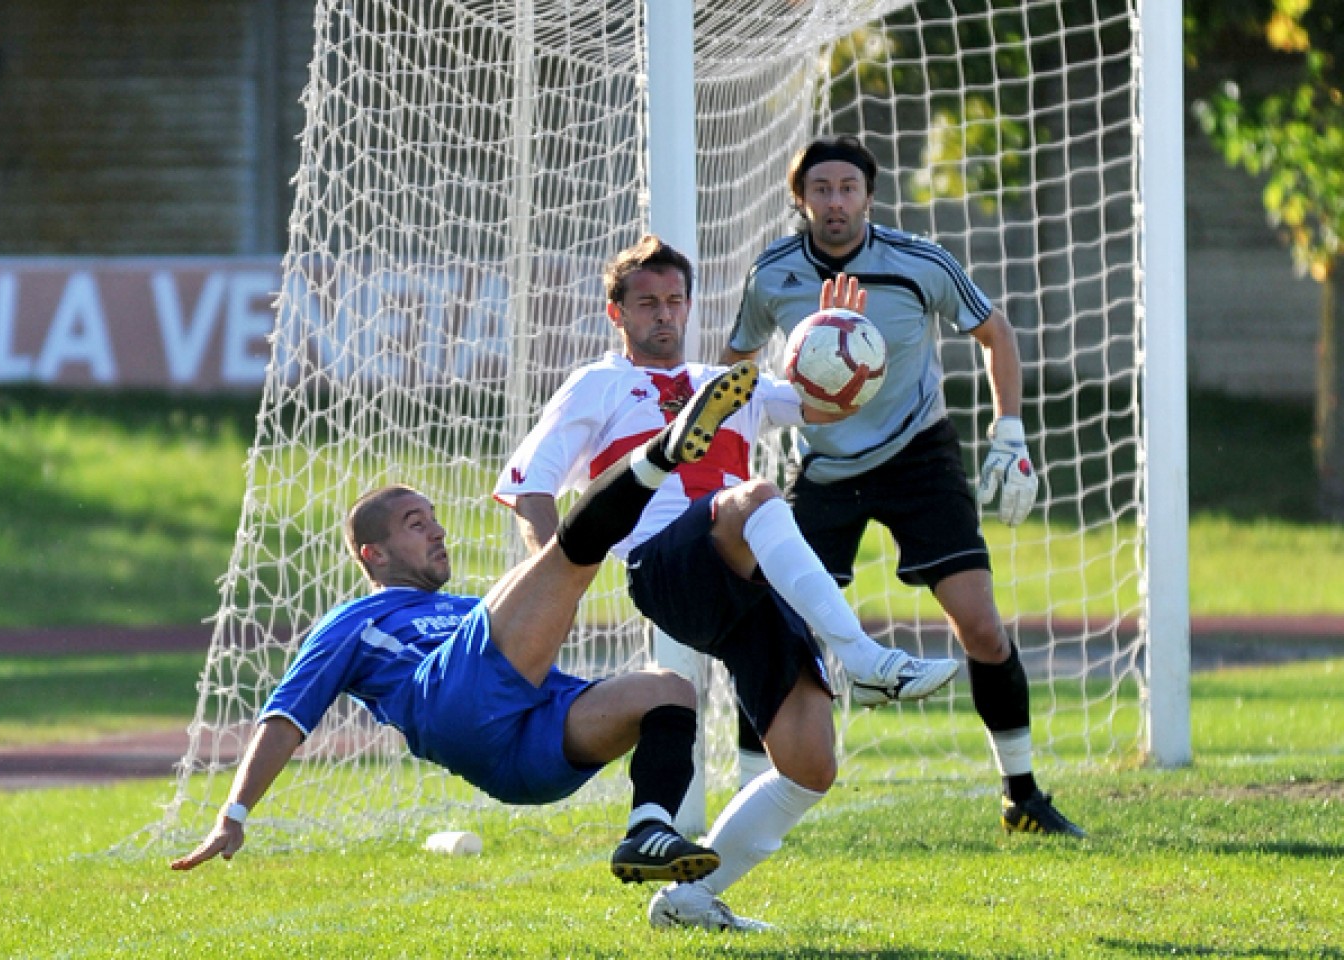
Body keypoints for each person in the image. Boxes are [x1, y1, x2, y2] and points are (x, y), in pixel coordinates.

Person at [493, 234, 958, 931]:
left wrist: (841, 338)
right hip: (664, 564)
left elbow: (828, 404)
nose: (665, 316)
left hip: (744, 578)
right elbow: (531, 486)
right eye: (647, 303)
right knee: (757, 498)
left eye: (675, 301)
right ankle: (862, 659)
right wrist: (556, 574)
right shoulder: (597, 384)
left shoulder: (728, 383)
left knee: (810, 764)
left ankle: (686, 903)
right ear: (615, 312)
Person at [169, 360, 763, 890]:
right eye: (413, 523)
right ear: (373, 554)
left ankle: (647, 830)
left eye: (433, 518)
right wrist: (234, 814)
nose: (437, 531)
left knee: (669, 691)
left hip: (526, 757)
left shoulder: (465, 607)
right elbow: (287, 714)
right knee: (567, 555)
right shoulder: (354, 619)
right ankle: (666, 449)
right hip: (452, 705)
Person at [721, 133, 1085, 838]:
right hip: (821, 469)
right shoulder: (772, 275)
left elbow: (996, 333)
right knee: (773, 630)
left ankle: (1021, 795)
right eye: (821, 189)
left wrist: (1009, 431)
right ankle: (742, 804)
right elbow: (733, 367)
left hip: (920, 457)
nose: (835, 202)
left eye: (847, 188)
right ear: (801, 199)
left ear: (869, 196)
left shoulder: (920, 262)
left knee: (978, 624)